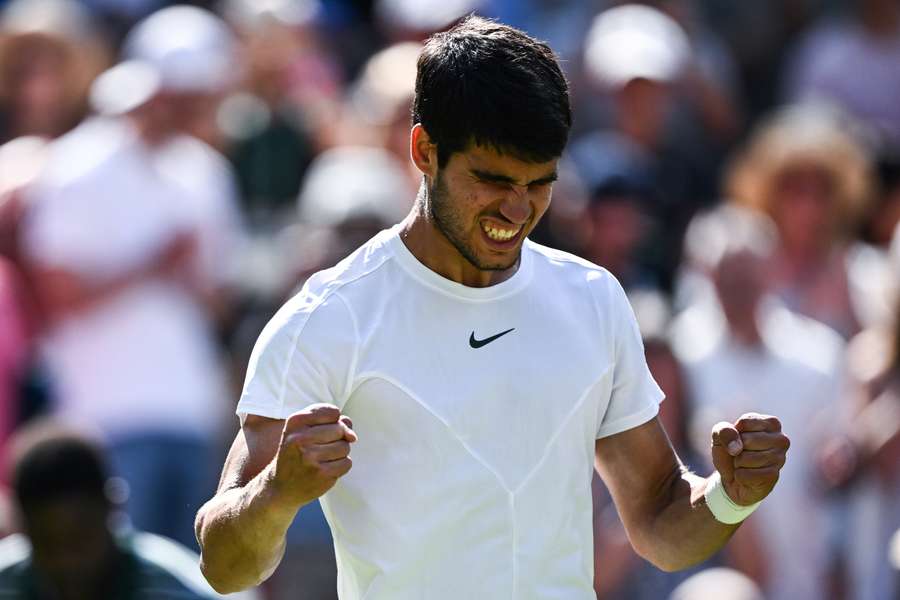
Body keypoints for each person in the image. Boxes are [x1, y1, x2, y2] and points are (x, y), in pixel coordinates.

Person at [195, 16, 790, 598]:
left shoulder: (594, 300)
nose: (516, 211)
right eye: (493, 180)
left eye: (538, 183)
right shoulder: (327, 318)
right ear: (424, 150)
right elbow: (224, 568)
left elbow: (661, 524)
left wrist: (731, 495)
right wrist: (276, 491)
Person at [0, 420, 260, 600]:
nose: (67, 562)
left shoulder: (181, 590)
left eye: (80, 541)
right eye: (48, 544)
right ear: (21, 526)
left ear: (113, 506)